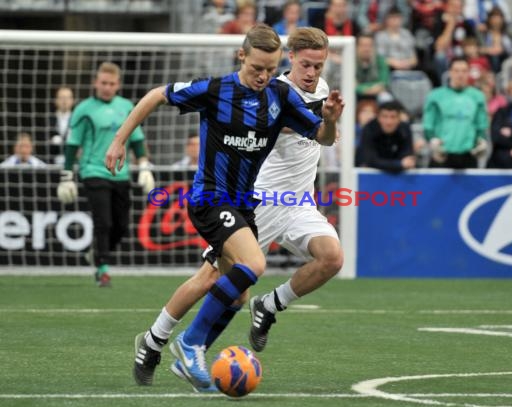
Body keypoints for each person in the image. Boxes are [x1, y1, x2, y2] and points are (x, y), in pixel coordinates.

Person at [103, 24, 344, 388]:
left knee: (236, 292)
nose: (264, 76)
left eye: (269, 69)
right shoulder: (216, 90)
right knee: (248, 266)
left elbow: (323, 138)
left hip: (253, 204)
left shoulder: (281, 96)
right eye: (257, 68)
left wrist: (329, 120)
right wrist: (120, 140)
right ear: (241, 57)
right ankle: (190, 343)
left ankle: (154, 342)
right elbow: (157, 94)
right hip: (213, 197)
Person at [57, 62, 155, 287]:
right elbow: (73, 144)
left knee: (121, 226)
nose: (107, 87)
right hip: (93, 170)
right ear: (95, 83)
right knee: (104, 222)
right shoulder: (84, 109)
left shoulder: (127, 106)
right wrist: (66, 175)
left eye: (111, 83)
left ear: (118, 85)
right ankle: (103, 270)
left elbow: (137, 139)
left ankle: (98, 252)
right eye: (103, 83)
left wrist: (144, 165)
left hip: (121, 174)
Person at [423, 56, 489, 168]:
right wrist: (432, 140)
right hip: (442, 154)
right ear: (450, 72)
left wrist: (481, 141)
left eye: (464, 71)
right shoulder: (435, 96)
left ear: (469, 73)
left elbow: (481, 124)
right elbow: (428, 124)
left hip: (468, 154)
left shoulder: (478, 96)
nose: (460, 75)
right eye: (456, 70)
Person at [357, 100, 415, 171]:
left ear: (399, 119)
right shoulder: (369, 129)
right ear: (378, 118)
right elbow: (370, 160)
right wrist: (399, 164)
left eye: (393, 117)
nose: (389, 122)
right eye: (385, 116)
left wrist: (401, 164)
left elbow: (407, 158)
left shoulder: (405, 129)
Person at [375, 6, 417, 71]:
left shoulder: (407, 34)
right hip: (390, 70)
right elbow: (380, 59)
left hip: (408, 69)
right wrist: (396, 63)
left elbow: (414, 60)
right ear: (387, 20)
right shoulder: (381, 36)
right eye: (392, 17)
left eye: (398, 17)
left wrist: (406, 63)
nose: (395, 20)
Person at [355, 34, 391, 102]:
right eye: (363, 45)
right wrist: (365, 89)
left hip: (377, 93)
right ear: (356, 47)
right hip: (355, 94)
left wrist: (361, 87)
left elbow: (383, 83)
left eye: (369, 46)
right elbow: (351, 85)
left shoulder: (381, 61)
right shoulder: (350, 61)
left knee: (386, 98)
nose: (366, 49)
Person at [49, 86, 75, 165]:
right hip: (51, 163)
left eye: (67, 97)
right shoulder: (48, 120)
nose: (64, 101)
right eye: (62, 97)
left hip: (73, 163)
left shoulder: (77, 120)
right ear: (56, 100)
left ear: (72, 100)